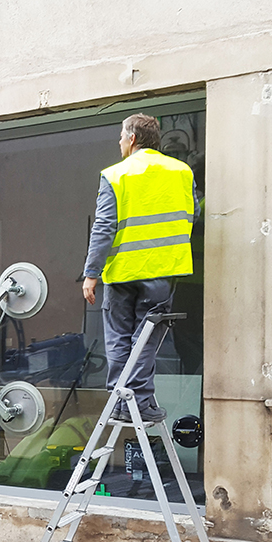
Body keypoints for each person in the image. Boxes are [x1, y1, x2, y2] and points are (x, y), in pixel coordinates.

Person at [82, 114, 200, 422]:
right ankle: (140, 402)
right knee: (145, 339)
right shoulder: (182, 172)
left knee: (120, 339)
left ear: (132, 139)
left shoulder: (115, 175)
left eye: (122, 136)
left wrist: (91, 274)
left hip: (122, 273)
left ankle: (122, 403)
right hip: (162, 271)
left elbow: (104, 228)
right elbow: (194, 213)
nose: (119, 141)